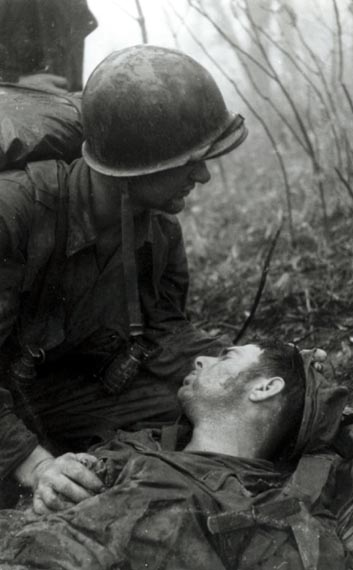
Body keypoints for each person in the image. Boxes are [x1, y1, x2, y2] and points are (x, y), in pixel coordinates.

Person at [0, 45, 247, 508]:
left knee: (205, 417)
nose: (205, 175)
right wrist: (35, 465)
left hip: (50, 392)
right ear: (134, 166)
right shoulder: (13, 214)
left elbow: (166, 333)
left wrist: (248, 368)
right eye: (189, 160)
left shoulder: (157, 230)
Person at [0, 340, 353, 570]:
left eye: (227, 355)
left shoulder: (207, 502)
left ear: (264, 388)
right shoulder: (145, 450)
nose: (200, 358)